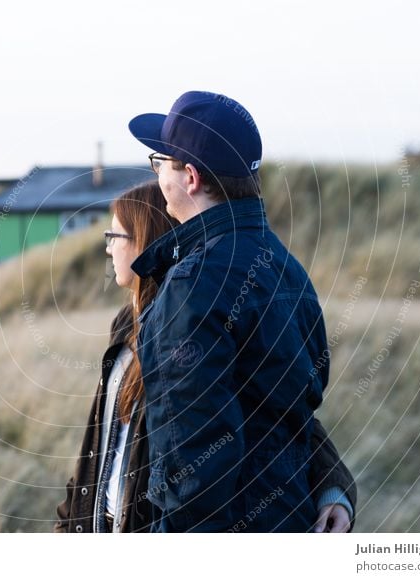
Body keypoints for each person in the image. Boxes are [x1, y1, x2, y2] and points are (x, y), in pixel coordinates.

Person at [54, 181, 356, 533]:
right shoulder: (124, 324)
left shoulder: (191, 321)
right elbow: (103, 438)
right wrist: (68, 523)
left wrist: (333, 485)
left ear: (144, 239)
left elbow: (278, 416)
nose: (108, 249)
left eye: (115, 236)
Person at [126, 90, 348, 532]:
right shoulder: (287, 269)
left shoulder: (194, 284)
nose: (158, 180)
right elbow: (294, 417)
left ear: (190, 178)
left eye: (160, 164)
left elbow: (194, 469)